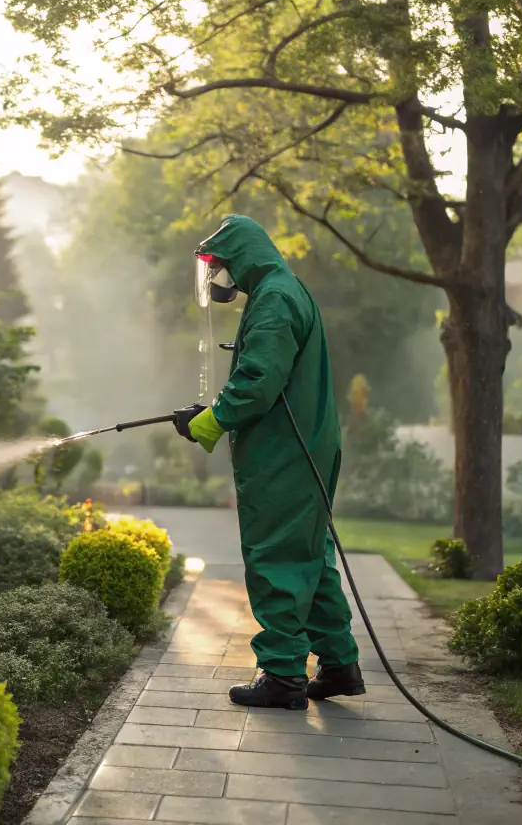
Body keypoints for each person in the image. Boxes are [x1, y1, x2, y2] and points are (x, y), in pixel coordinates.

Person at [172, 214, 362, 711]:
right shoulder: (284, 288)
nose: (218, 279)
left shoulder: (274, 300)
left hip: (285, 453)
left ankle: (281, 675)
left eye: (221, 266)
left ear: (241, 259)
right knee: (310, 558)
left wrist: (210, 422)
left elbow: (259, 381)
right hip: (306, 448)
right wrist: (213, 411)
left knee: (277, 555)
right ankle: (339, 664)